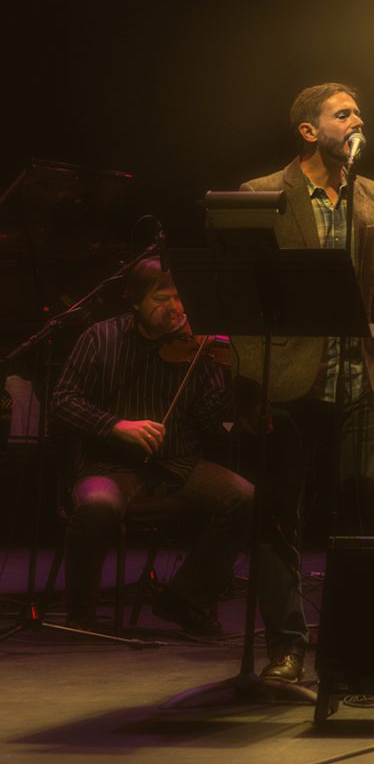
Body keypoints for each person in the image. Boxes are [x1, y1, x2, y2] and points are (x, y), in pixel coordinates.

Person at [235, 82, 374, 683]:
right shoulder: (262, 194)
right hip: (286, 382)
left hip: (355, 379)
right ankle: (286, 647)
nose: (357, 119)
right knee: (278, 518)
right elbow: (243, 300)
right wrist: (250, 387)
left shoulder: (373, 195)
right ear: (309, 131)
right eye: (342, 113)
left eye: (358, 111)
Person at [52, 260, 254, 635]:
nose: (174, 308)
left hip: (177, 462)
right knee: (97, 506)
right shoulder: (101, 337)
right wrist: (116, 426)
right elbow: (63, 400)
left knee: (245, 499)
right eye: (162, 299)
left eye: (179, 298)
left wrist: (224, 382)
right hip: (109, 464)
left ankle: (185, 599)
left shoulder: (199, 348)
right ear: (135, 301)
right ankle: (81, 615)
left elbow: (214, 426)